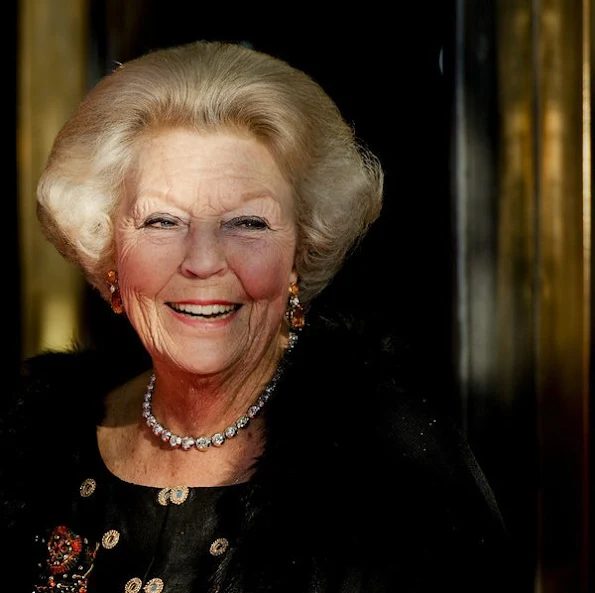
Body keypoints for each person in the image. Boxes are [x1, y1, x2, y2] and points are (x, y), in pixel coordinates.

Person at [2, 40, 517, 593]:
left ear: (301, 252)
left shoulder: (393, 467)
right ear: (110, 257)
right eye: (160, 222)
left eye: (247, 223)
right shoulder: (32, 447)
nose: (202, 262)